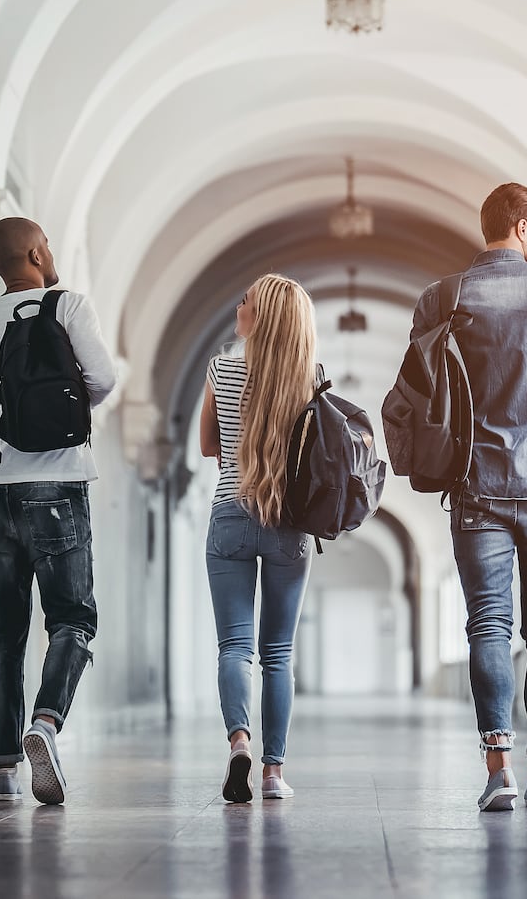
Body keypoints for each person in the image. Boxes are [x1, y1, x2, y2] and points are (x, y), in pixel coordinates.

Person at [406, 182, 527, 811]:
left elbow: (423, 392)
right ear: (519, 225)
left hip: (476, 489)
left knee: (487, 624)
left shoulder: (443, 299)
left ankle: (498, 770)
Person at [0, 217, 117, 805]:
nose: (49, 250)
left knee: (2, 632)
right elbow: (103, 378)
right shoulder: (67, 306)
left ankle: (1, 771)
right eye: (45, 242)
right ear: (33, 251)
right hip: (60, 485)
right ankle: (44, 723)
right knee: (72, 618)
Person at [199, 273, 316, 803]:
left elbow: (208, 447)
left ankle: (239, 743)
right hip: (288, 524)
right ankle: (273, 773)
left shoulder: (220, 368)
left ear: (260, 317)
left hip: (230, 515)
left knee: (235, 647)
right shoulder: (309, 378)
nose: (237, 306)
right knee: (278, 654)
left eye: (244, 300)